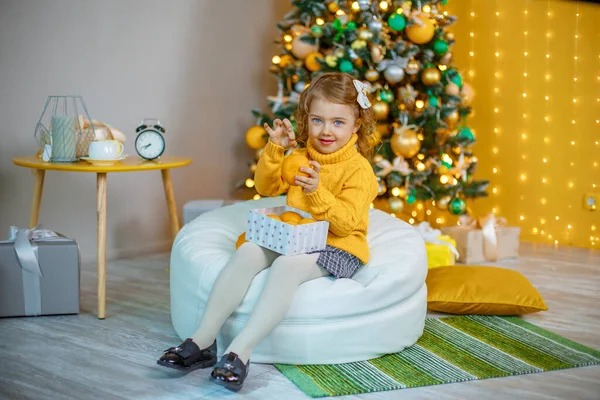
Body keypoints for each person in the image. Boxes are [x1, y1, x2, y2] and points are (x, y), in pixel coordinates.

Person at [157, 72, 379, 392]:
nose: (326, 131)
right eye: (317, 120)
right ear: (307, 119)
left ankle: (239, 352)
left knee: (287, 266)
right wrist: (275, 151)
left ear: (356, 124)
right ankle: (202, 341)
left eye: (338, 122)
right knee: (248, 250)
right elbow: (266, 187)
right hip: (295, 234)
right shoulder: (301, 156)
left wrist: (317, 192)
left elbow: (345, 223)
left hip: (337, 244)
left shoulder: (359, 170)